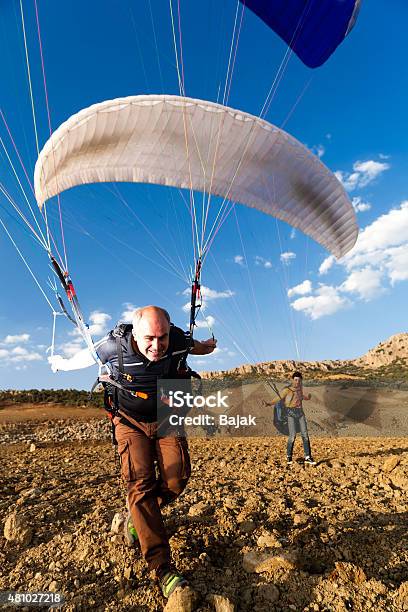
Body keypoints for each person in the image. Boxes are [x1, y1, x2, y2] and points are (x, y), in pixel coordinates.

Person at [49, 305, 217, 597]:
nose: (157, 345)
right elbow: (86, 356)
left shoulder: (176, 340)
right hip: (129, 422)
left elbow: (197, 347)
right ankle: (162, 568)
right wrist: (60, 364)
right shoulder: (114, 345)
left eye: (162, 338)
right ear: (135, 335)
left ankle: (138, 517)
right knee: (139, 484)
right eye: (149, 338)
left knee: (176, 481)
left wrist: (208, 347)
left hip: (166, 417)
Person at [280, 371, 316, 466]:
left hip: (300, 413)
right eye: (295, 380)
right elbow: (280, 398)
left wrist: (307, 398)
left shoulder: (300, 388)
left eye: (299, 380)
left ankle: (308, 456)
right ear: (293, 380)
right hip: (291, 414)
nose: (297, 382)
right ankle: (289, 456)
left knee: (305, 434)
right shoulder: (288, 389)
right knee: (292, 436)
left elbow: (301, 397)